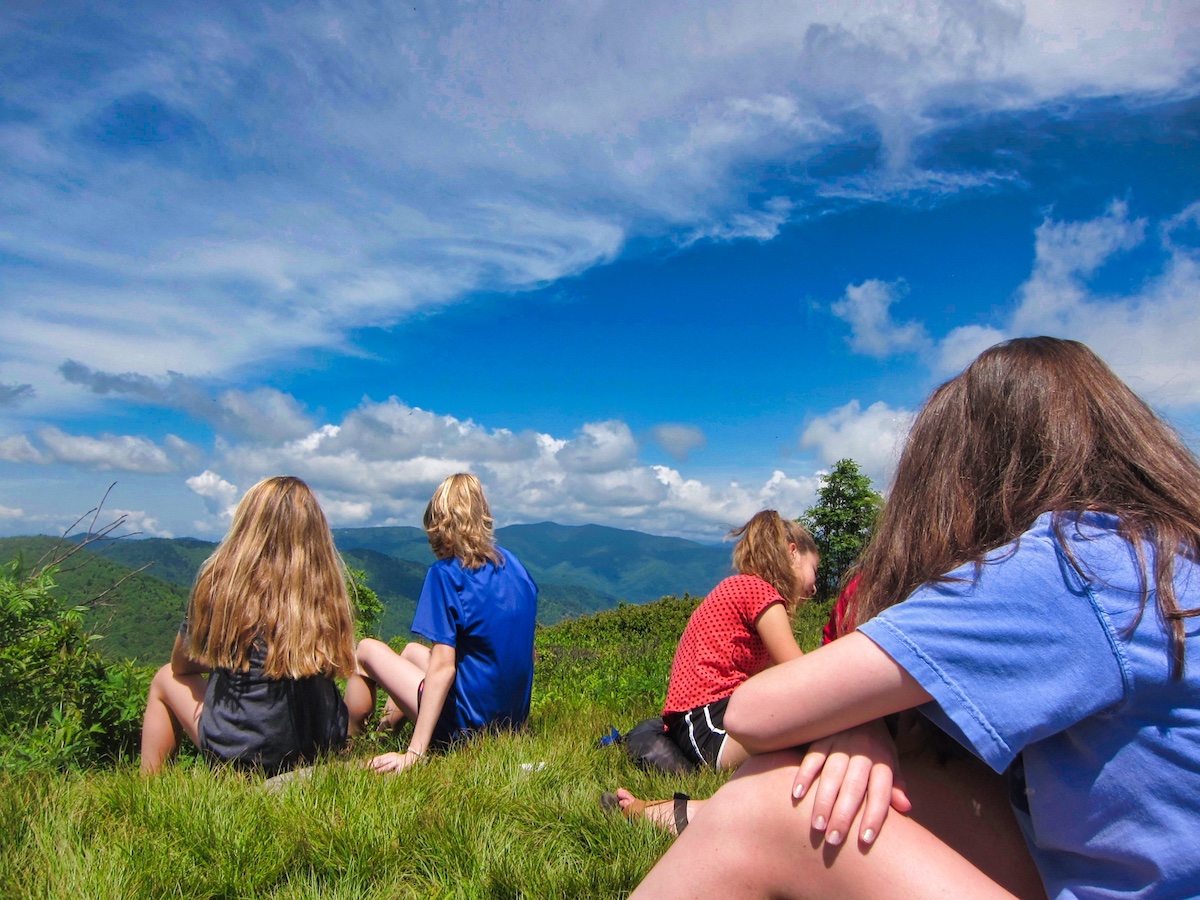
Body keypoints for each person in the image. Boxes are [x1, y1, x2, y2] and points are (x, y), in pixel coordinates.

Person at [631, 336, 1200, 899]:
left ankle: (696, 817)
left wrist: (854, 714)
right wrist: (861, 717)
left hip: (697, 722)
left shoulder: (1076, 561)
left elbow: (763, 708)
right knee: (898, 777)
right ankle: (689, 810)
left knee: (774, 804)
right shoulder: (1158, 552)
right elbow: (771, 697)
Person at [140, 475, 360, 776]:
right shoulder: (327, 590)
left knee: (165, 677)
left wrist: (233, 656)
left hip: (243, 757)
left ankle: (149, 786)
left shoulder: (222, 587)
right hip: (321, 746)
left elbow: (182, 666)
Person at [348, 473, 538, 773]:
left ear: (438, 526)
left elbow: (443, 668)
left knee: (366, 650)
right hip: (508, 725)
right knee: (411, 651)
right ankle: (385, 730)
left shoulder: (446, 574)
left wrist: (415, 754)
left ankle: (351, 744)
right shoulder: (513, 565)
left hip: (464, 731)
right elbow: (528, 653)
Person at [659, 510, 818, 772]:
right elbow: (798, 673)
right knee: (819, 720)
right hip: (709, 726)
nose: (814, 588)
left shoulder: (742, 586)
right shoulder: (760, 592)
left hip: (692, 724)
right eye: (814, 570)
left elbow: (772, 678)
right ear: (793, 553)